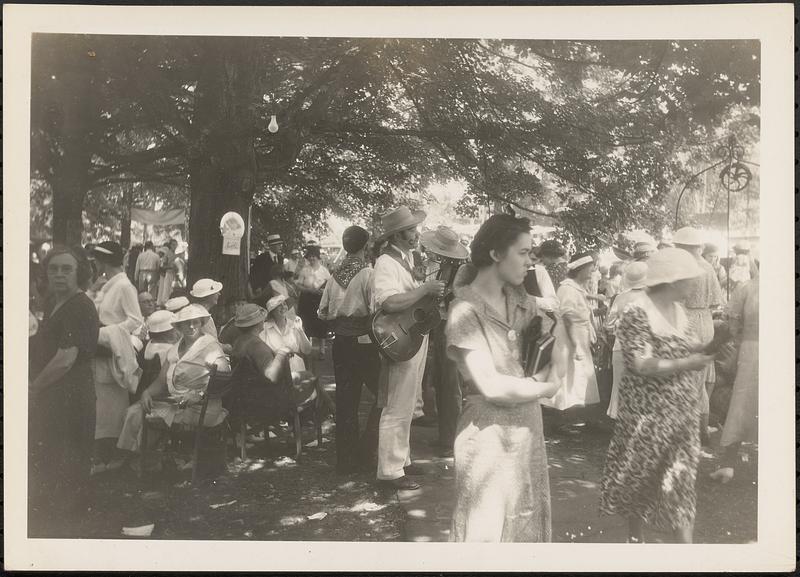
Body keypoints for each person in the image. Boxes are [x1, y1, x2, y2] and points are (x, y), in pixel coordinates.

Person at [445, 214, 558, 542]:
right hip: (487, 437)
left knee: (525, 529)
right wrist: (545, 386)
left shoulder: (523, 302)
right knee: (485, 535)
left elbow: (560, 349)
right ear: (496, 254)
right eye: (523, 253)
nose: (530, 261)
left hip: (527, 432)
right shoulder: (465, 311)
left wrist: (564, 327)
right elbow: (491, 386)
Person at [600, 248, 715, 544]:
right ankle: (635, 540)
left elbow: (685, 344)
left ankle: (685, 551)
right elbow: (639, 363)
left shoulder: (679, 311)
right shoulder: (637, 311)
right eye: (689, 279)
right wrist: (686, 363)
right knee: (641, 478)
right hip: (647, 416)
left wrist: (705, 348)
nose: (694, 285)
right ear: (673, 281)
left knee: (682, 479)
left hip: (681, 414)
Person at [372, 206, 445, 490]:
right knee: (396, 404)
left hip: (412, 335)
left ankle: (402, 461)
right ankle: (389, 473)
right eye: (412, 230)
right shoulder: (386, 263)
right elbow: (388, 302)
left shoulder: (406, 259)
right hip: (399, 338)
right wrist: (424, 290)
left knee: (409, 400)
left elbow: (411, 298)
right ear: (397, 235)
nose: (417, 234)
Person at [28, 246, 99, 528]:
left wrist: (34, 386)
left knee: (68, 455)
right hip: (53, 392)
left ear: (79, 272)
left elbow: (66, 358)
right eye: (53, 268)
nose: (59, 274)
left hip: (71, 395)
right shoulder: (52, 301)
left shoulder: (81, 305)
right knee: (50, 453)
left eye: (66, 269)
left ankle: (68, 529)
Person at [117, 305, 231, 456]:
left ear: (202, 323)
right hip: (177, 404)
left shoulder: (210, 346)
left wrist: (199, 395)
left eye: (195, 322)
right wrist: (147, 393)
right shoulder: (175, 349)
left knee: (137, 413)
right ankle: (141, 458)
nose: (191, 327)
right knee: (135, 410)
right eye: (186, 323)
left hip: (201, 408)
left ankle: (139, 459)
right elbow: (161, 380)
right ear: (178, 326)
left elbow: (224, 379)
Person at [318, 225, 382, 474]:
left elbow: (322, 312)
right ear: (365, 246)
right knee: (384, 393)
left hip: (341, 343)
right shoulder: (368, 273)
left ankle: (346, 461)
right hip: (363, 340)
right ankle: (368, 449)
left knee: (346, 401)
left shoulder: (334, 276)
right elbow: (376, 306)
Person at [89, 241, 144, 472]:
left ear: (103, 262)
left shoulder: (124, 286)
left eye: (97, 261)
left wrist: (107, 332)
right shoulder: (107, 285)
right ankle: (101, 455)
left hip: (115, 353)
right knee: (100, 407)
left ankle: (112, 456)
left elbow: (136, 321)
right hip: (100, 351)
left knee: (112, 408)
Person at [418, 225, 470, 458]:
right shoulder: (446, 268)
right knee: (442, 381)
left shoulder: (460, 272)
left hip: (452, 329)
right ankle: (446, 435)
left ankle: (452, 440)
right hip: (442, 327)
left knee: (451, 385)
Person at [673, 226, 724, 448]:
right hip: (705, 320)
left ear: (683, 247)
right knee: (701, 378)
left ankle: (688, 430)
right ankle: (701, 430)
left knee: (685, 376)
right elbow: (715, 302)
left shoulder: (681, 268)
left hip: (687, 319)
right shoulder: (708, 268)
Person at [710, 267, 759, 484]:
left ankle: (728, 463)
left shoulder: (747, 287)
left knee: (743, 401)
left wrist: (740, 339)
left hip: (752, 348)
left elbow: (732, 322)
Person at [541, 252, 601, 412]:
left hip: (578, 335)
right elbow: (568, 318)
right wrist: (576, 345)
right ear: (580, 270)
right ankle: (560, 415)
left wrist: (596, 298)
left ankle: (572, 413)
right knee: (567, 375)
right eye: (589, 269)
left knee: (577, 376)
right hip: (568, 338)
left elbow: (581, 300)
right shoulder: (567, 288)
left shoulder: (576, 288)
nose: (592, 272)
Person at [604, 262, 648, 419]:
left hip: (621, 346)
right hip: (644, 347)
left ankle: (621, 419)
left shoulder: (620, 298)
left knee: (619, 385)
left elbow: (608, 324)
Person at [296, 245, 331, 359]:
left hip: (319, 300)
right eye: (309, 257)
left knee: (321, 323)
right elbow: (299, 285)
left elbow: (330, 286)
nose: (311, 259)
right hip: (306, 299)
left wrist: (322, 291)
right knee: (307, 322)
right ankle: (308, 348)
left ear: (318, 257)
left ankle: (322, 350)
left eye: (313, 257)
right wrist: (308, 290)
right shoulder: (305, 270)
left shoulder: (324, 271)